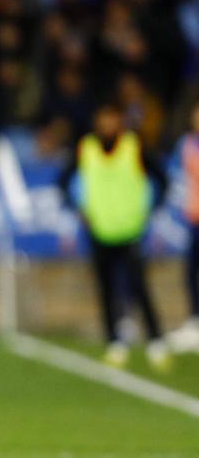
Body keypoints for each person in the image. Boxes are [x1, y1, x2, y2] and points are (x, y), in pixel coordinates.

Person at [57, 103, 170, 370]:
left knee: (138, 287)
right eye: (103, 119)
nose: (107, 125)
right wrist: (78, 209)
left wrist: (150, 208)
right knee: (106, 288)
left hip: (130, 229)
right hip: (100, 229)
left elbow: (162, 178)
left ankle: (156, 341)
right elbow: (62, 180)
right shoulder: (87, 148)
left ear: (119, 121)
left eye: (112, 119)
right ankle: (114, 342)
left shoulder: (134, 146)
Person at [168, 104, 199, 351]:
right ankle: (195, 322)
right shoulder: (186, 145)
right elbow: (176, 176)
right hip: (194, 219)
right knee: (190, 272)